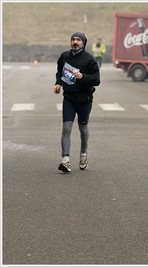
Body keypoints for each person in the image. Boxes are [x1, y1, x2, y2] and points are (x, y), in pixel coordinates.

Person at [53, 32, 100, 173]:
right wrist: (58, 84)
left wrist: (82, 76)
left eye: (78, 40)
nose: (75, 42)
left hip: (84, 99)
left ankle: (83, 153)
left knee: (83, 129)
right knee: (66, 128)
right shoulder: (64, 57)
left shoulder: (89, 59)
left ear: (83, 42)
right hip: (69, 98)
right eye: (73, 39)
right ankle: (65, 160)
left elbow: (96, 80)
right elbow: (60, 72)